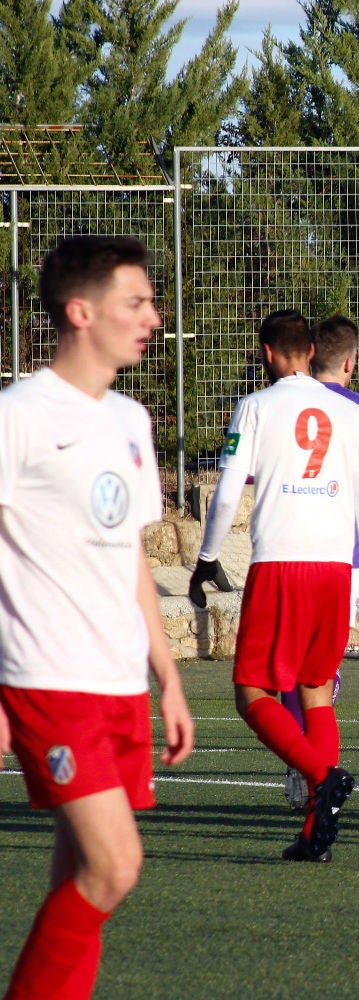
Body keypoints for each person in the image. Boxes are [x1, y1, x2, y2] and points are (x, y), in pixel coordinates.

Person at [0, 235, 194, 998]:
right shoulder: (17, 415)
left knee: (81, 875)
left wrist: (167, 677)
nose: (153, 316)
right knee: (116, 866)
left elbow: (131, 558)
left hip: (118, 680)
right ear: (81, 311)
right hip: (49, 674)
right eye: (136, 302)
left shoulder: (130, 419)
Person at [188, 309, 359, 863]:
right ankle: (312, 837)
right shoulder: (350, 413)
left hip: (280, 564)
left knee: (251, 691)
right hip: (334, 571)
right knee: (316, 692)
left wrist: (206, 558)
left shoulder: (254, 406)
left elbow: (228, 492)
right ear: (310, 349)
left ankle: (323, 776)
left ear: (267, 352)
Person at [277, 315, 359, 810]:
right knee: (321, 668)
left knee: (285, 667)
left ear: (309, 353)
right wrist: (354, 485)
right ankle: (314, 767)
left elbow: (249, 473)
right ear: (352, 361)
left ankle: (298, 762)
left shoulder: (281, 401)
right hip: (344, 559)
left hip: (284, 551)